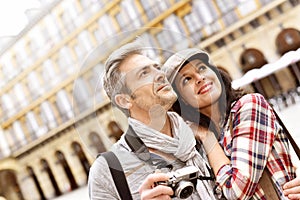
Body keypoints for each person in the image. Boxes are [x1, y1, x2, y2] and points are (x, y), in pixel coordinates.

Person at [156, 48, 297, 199]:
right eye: (187, 79)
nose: (199, 78)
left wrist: (207, 137)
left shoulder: (249, 106)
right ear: (181, 99)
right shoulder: (195, 145)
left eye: (202, 68)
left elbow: (236, 191)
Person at [88, 41, 220, 199]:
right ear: (125, 100)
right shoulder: (107, 171)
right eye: (144, 73)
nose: (160, 74)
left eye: (157, 67)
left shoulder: (204, 133)